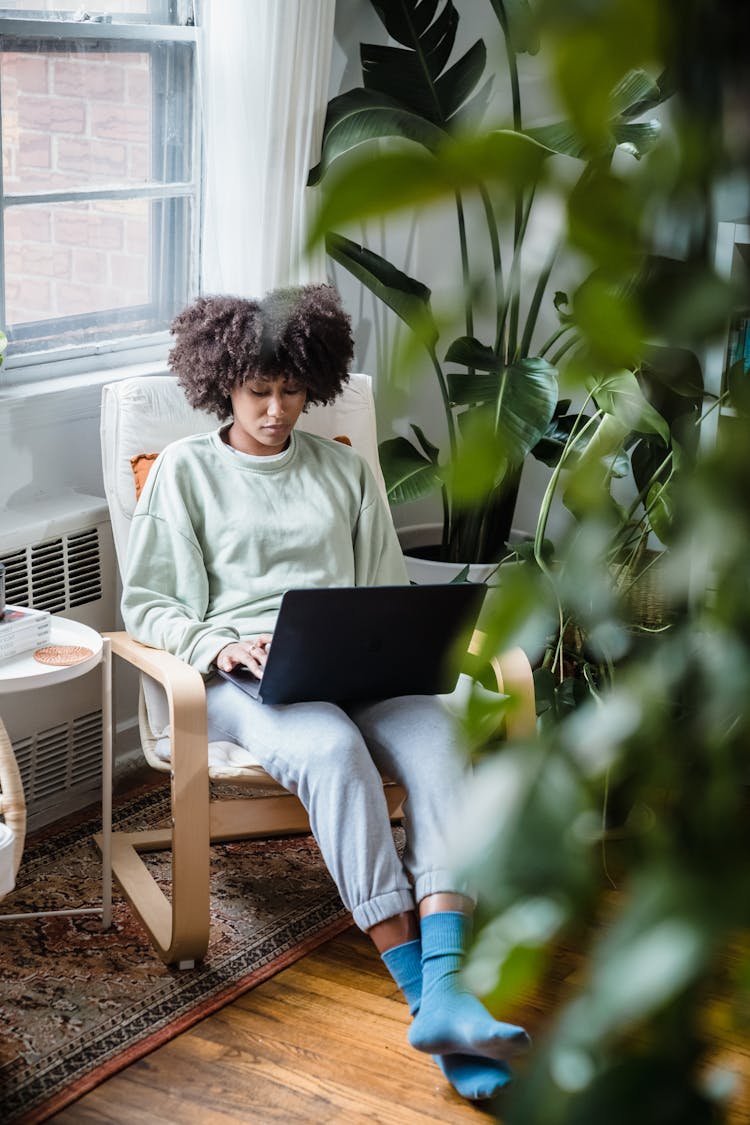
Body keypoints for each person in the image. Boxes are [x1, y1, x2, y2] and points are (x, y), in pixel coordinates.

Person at [121, 283, 530, 1101]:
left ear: (315, 382)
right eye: (257, 391)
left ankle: (448, 987)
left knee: (443, 736)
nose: (275, 410)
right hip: (243, 676)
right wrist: (220, 642)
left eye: (291, 390)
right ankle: (425, 995)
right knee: (332, 750)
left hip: (359, 663)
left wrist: (401, 643)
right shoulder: (184, 472)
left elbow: (383, 584)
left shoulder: (345, 468)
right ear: (222, 384)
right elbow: (151, 603)